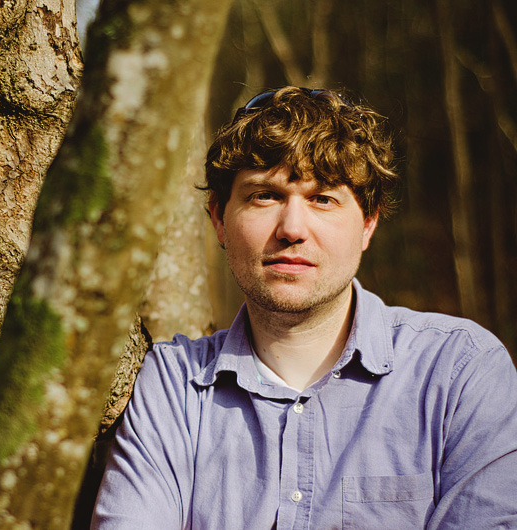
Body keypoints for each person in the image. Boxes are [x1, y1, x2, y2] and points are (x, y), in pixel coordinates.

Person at [90, 86, 517, 529]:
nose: (292, 228)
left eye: (323, 199)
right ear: (218, 218)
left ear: (368, 223)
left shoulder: (459, 374)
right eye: (265, 196)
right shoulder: (172, 387)